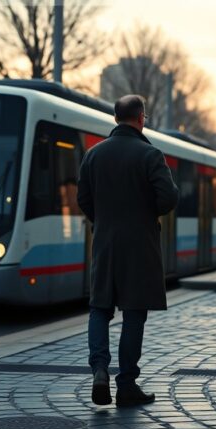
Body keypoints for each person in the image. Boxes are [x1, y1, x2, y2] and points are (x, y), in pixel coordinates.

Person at [77, 95, 179, 408]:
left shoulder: (94, 155)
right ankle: (127, 384)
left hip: (105, 244)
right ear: (141, 118)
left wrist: (104, 220)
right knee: (134, 313)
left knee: (100, 308)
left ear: (116, 117)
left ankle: (99, 371)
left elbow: (83, 198)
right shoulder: (150, 155)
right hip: (140, 247)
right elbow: (168, 198)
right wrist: (144, 212)